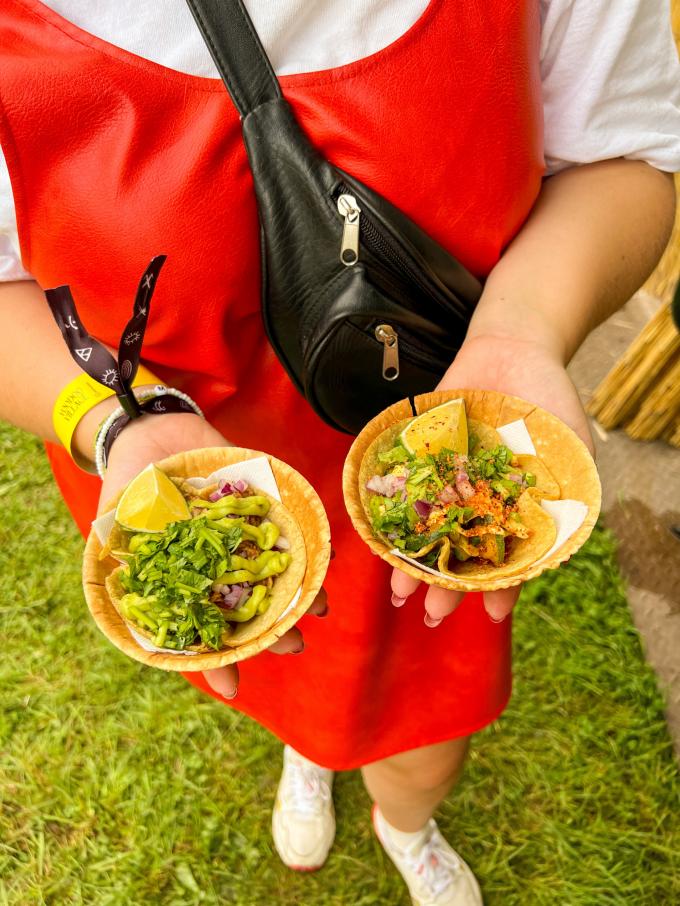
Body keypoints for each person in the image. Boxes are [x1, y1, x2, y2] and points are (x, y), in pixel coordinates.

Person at [1, 1, 679, 903]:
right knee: (282, 662)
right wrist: (122, 421)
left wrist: (522, 330)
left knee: (427, 716)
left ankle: (408, 824)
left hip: (437, 427)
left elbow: (624, 158)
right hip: (198, 466)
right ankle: (309, 757)